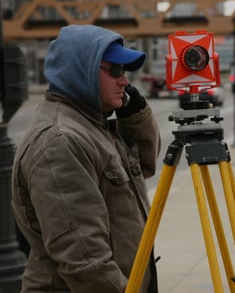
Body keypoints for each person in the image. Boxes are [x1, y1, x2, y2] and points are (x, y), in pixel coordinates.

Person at [11, 24, 160, 293]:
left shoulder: (94, 124)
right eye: (114, 70)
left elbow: (145, 165)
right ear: (83, 72)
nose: (124, 80)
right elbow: (85, 262)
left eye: (125, 71)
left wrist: (134, 114)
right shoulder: (60, 142)